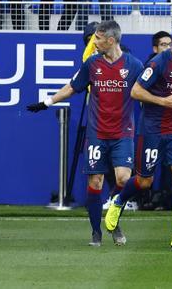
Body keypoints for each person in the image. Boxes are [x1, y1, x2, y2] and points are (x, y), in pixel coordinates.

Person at [27, 20, 142, 246]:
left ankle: (113, 213)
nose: (93, 42)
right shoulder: (92, 64)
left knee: (123, 178)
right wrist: (47, 102)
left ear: (111, 40)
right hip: (97, 132)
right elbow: (72, 86)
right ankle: (96, 232)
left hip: (123, 132)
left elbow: (148, 89)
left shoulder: (134, 65)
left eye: (98, 39)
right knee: (96, 181)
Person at [105, 23, 172, 250]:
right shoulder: (158, 63)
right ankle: (118, 201)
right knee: (144, 181)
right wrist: (164, 101)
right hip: (152, 129)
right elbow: (136, 91)